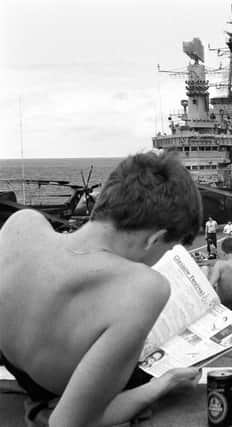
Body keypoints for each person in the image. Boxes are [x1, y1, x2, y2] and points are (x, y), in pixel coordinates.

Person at [0, 151, 204, 426]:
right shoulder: (145, 288)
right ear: (154, 239)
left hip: (19, 362)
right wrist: (162, 385)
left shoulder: (21, 225)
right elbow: (66, 423)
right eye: (168, 248)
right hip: (60, 392)